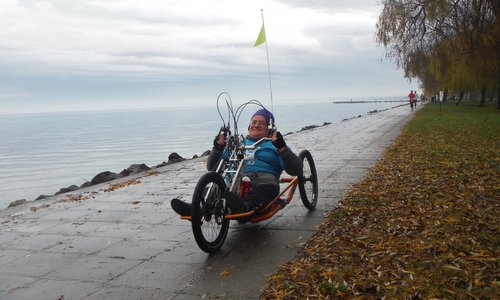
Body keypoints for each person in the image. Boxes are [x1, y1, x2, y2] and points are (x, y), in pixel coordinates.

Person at [170, 108, 303, 216]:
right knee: (213, 187)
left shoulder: (275, 145)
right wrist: (218, 148)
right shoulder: (238, 144)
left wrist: (282, 148)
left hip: (262, 182)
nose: (256, 125)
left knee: (260, 193)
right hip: (233, 182)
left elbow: (296, 170)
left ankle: (244, 208)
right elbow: (212, 168)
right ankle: (196, 207)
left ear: (270, 128)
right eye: (253, 122)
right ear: (249, 126)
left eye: (261, 123)